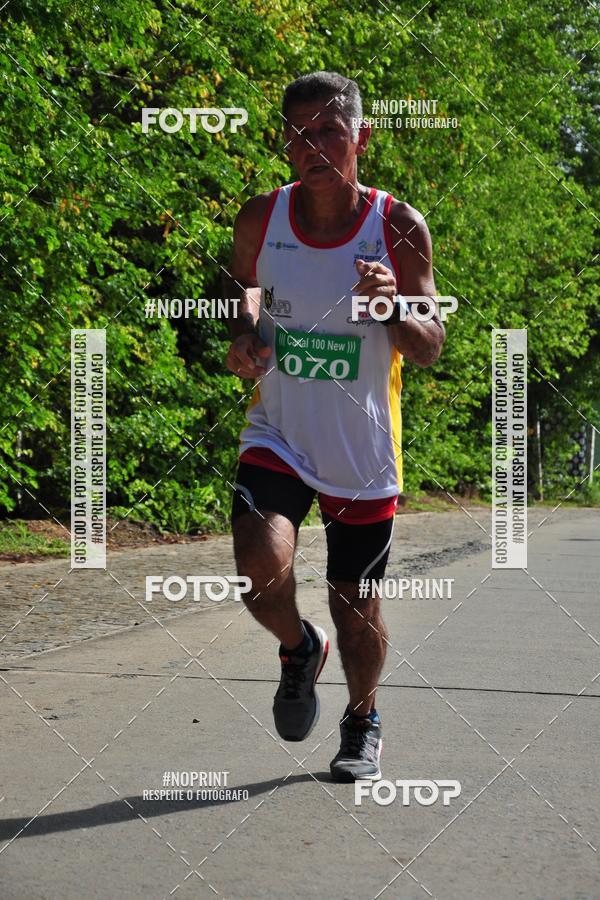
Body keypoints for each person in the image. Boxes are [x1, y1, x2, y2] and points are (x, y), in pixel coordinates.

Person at [223, 71, 445, 782]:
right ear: (285, 145)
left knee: (357, 609)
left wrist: (394, 310)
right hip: (278, 434)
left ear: (362, 139)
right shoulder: (261, 219)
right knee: (260, 565)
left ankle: (362, 718)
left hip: (361, 449)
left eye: (330, 132)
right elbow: (245, 303)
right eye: (298, 135)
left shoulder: (398, 225)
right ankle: (297, 647)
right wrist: (247, 340)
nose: (313, 146)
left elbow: (432, 343)